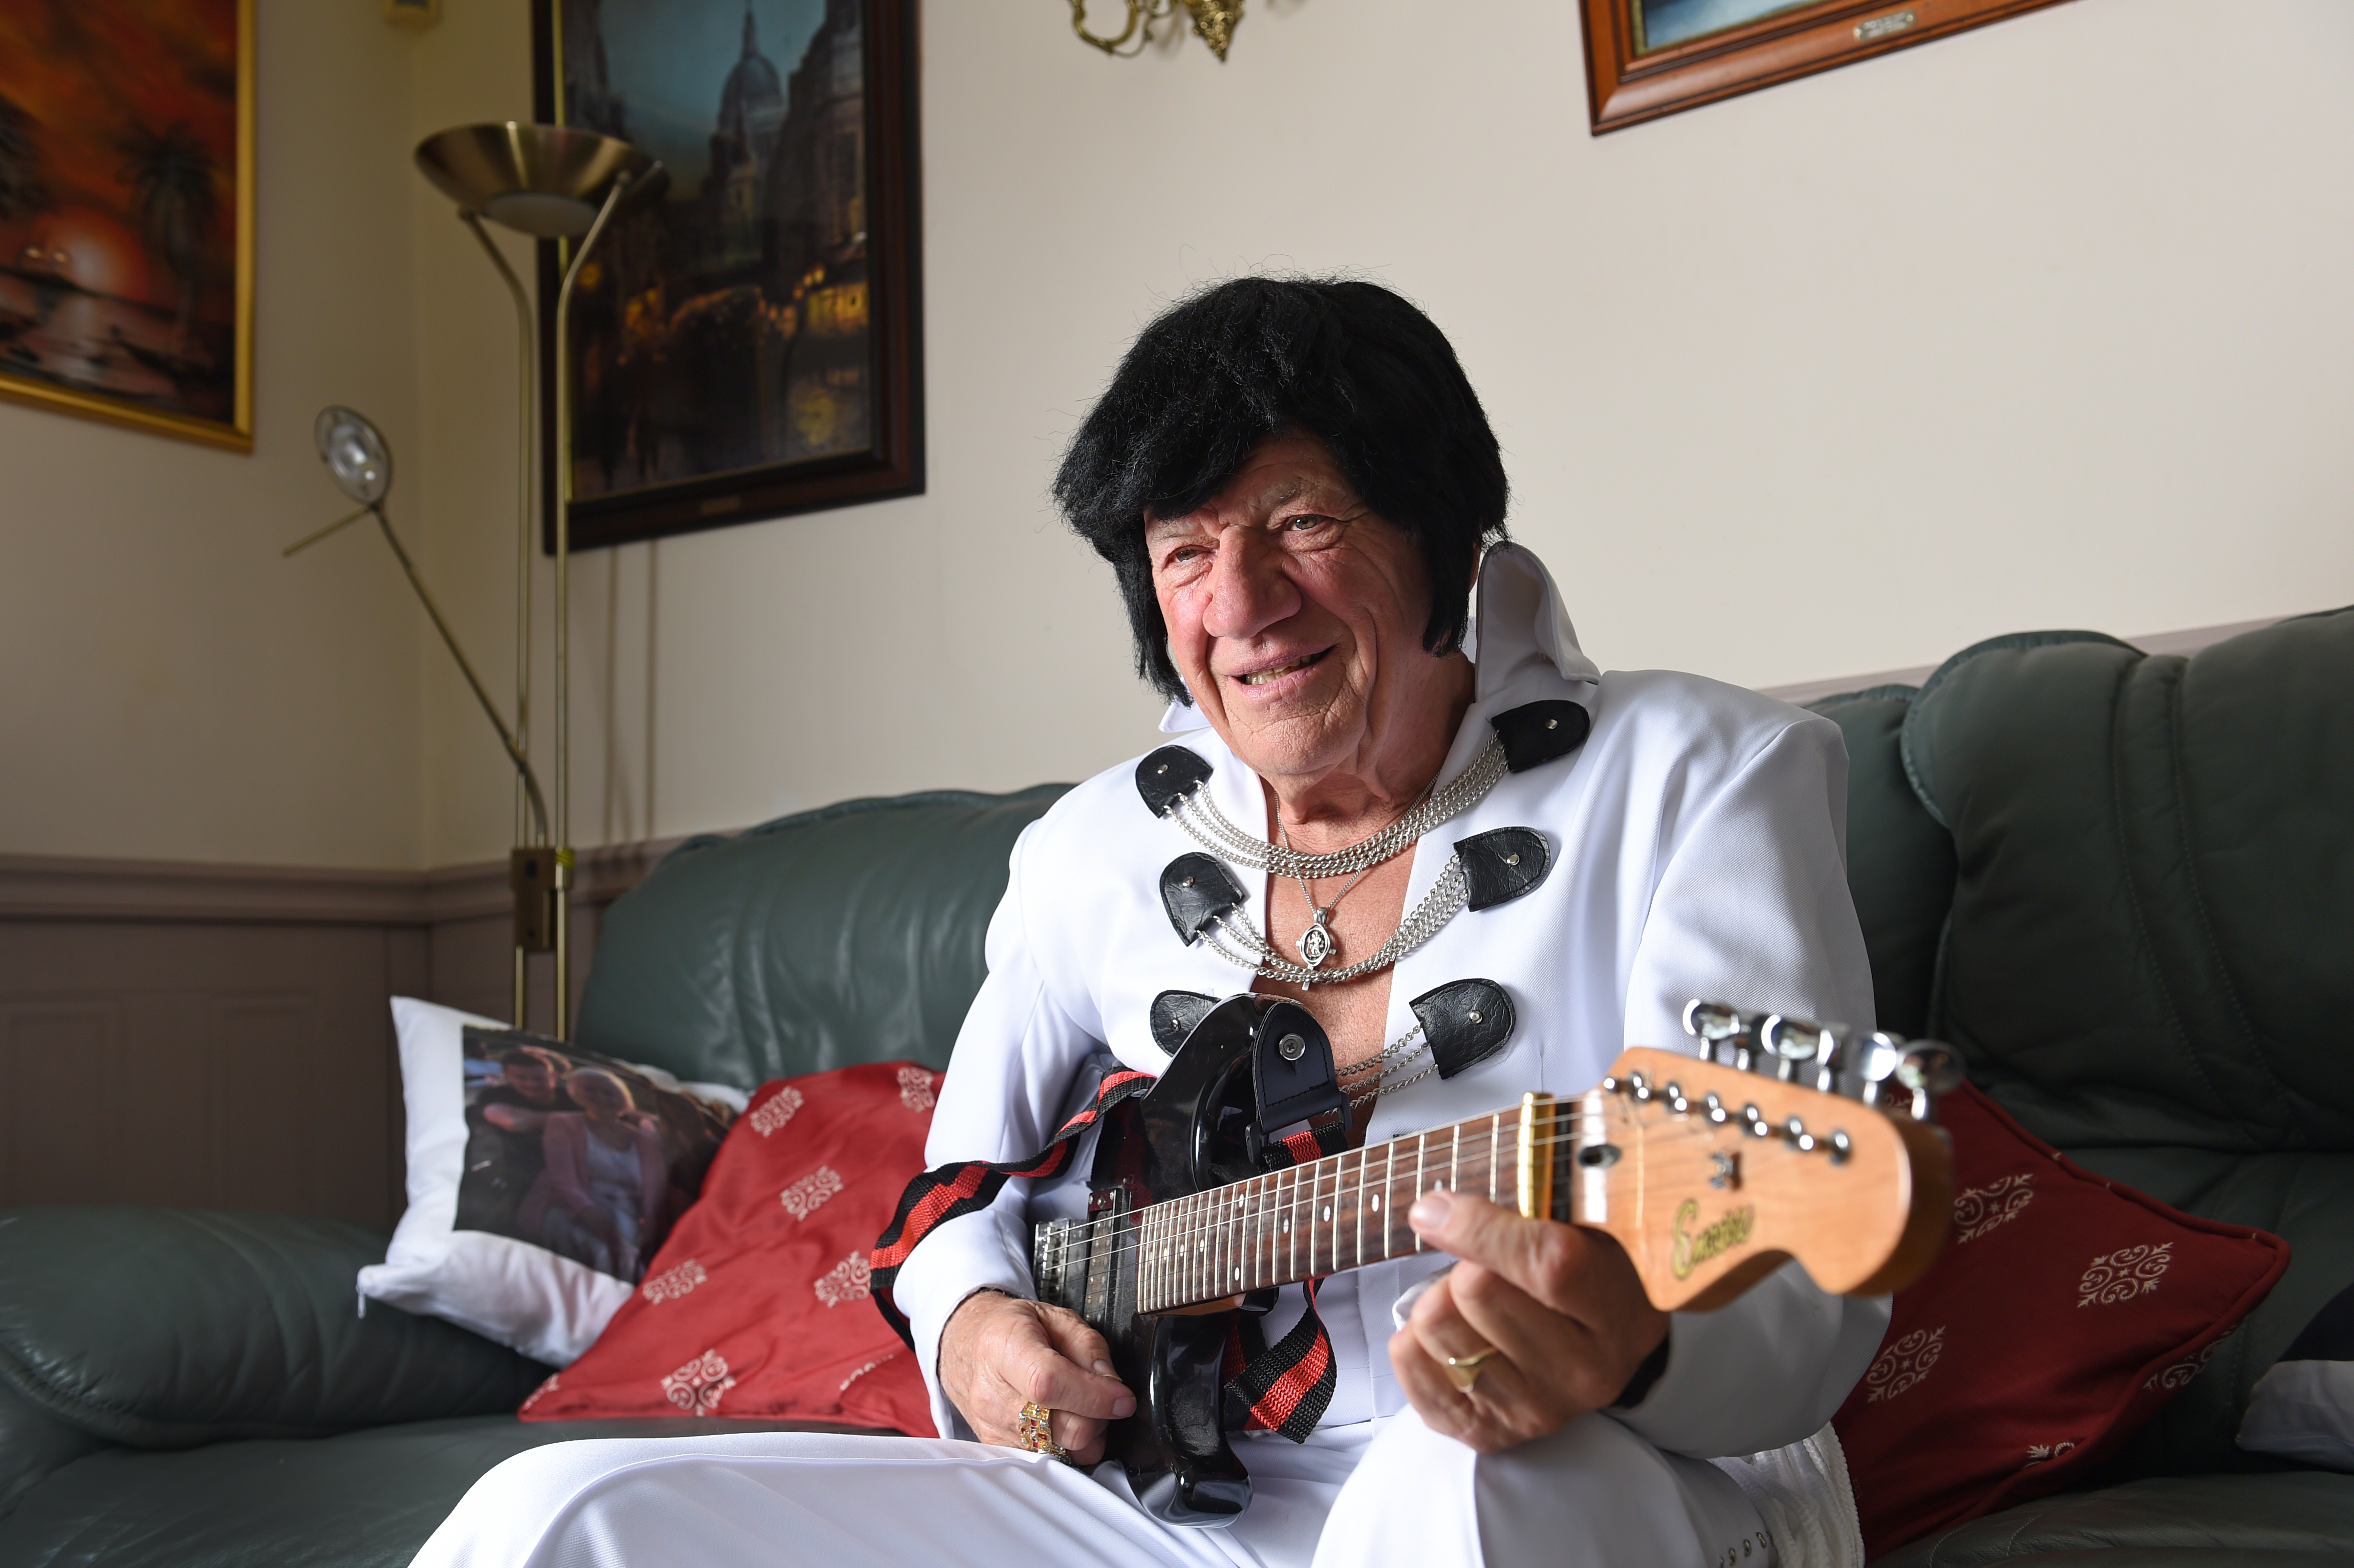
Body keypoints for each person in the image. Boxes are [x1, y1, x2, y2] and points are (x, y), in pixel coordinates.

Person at [414, 277, 1885, 1568]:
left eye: (1300, 521)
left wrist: (1639, 1336)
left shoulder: (1702, 777)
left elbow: (1808, 1272)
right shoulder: (1088, 849)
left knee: (1458, 1475)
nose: (1239, 600)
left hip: (1594, 1476)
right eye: (1184, 550)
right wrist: (976, 1333)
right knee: (556, 1517)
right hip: (1178, 1492)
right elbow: (953, 1206)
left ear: (1438, 529)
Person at [517, 1067, 668, 1282]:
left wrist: (647, 1236)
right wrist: (610, 1233)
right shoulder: (562, 1123)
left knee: (641, 1264)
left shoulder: (647, 1142)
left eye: (608, 1093)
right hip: (571, 1210)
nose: (600, 1097)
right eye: (591, 1090)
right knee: (608, 1256)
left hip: (625, 1217)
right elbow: (565, 1185)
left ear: (622, 1099)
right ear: (577, 1094)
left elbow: (654, 1200)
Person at [454, 1046, 576, 1236]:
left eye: (538, 1079)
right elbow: (515, 1121)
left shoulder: (571, 1098)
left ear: (553, 1077)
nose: (531, 1084)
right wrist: (580, 1121)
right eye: (521, 1078)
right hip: (518, 1174)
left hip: (575, 1168)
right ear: (507, 1077)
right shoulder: (496, 1096)